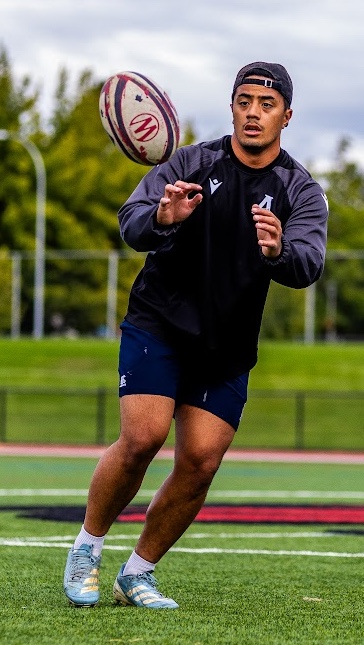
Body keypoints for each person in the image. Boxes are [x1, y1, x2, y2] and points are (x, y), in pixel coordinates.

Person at [63, 61, 328, 609]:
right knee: (143, 438)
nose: (254, 113)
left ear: (287, 115)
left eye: (267, 104)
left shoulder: (300, 189)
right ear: (231, 107)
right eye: (244, 101)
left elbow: (310, 263)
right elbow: (131, 221)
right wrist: (163, 215)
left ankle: (137, 573)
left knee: (202, 460)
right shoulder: (189, 162)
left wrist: (279, 252)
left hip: (226, 344)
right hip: (159, 323)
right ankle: (87, 548)